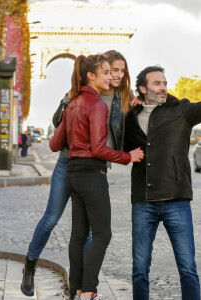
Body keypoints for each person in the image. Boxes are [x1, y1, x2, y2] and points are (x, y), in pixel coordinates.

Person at [21, 50, 137, 298]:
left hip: (94, 165)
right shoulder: (80, 95)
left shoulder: (123, 99)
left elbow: (128, 131)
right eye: (111, 70)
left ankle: (80, 287)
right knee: (53, 219)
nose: (116, 75)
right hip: (70, 162)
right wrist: (67, 101)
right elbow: (59, 132)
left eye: (120, 71)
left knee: (84, 232)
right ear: (96, 72)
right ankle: (31, 266)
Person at [50, 54, 144, 300]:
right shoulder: (98, 105)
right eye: (105, 72)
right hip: (92, 174)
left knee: (78, 235)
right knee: (103, 234)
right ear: (91, 76)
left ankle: (77, 290)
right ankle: (89, 291)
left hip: (73, 174)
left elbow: (54, 144)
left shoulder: (72, 104)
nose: (110, 77)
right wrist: (128, 156)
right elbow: (99, 148)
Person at [124, 65, 201, 300]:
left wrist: (172, 98)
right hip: (143, 201)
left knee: (188, 268)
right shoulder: (131, 117)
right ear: (142, 88)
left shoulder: (182, 110)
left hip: (176, 199)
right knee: (139, 269)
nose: (163, 87)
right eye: (156, 83)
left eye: (164, 83)